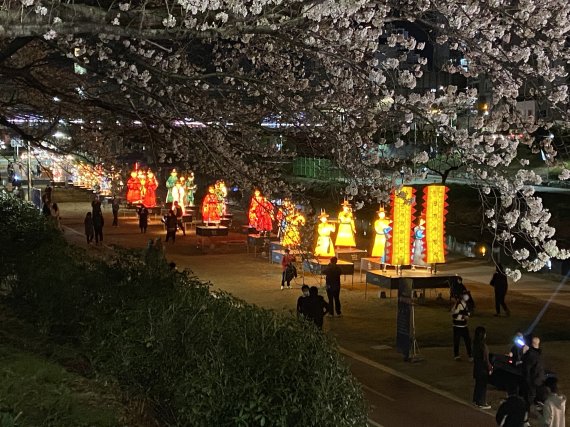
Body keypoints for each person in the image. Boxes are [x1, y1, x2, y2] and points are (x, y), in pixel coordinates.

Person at [522, 336, 546, 414]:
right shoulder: (539, 353)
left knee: (530, 397)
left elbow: (526, 368)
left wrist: (524, 354)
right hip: (540, 378)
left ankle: (527, 413)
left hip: (533, 379)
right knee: (539, 396)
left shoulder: (530, 354)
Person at [472, 326, 492, 409]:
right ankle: (481, 402)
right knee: (483, 386)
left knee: (478, 384)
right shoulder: (483, 346)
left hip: (476, 367)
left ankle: (476, 400)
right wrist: (490, 368)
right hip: (483, 369)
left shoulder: (475, 344)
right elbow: (486, 360)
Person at [451, 292, 473, 361]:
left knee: (467, 341)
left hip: (464, 326)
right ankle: (456, 355)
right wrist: (459, 312)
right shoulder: (458, 304)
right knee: (457, 341)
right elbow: (453, 313)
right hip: (457, 326)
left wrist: (464, 314)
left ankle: (470, 355)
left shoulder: (467, 305)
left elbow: (467, 316)